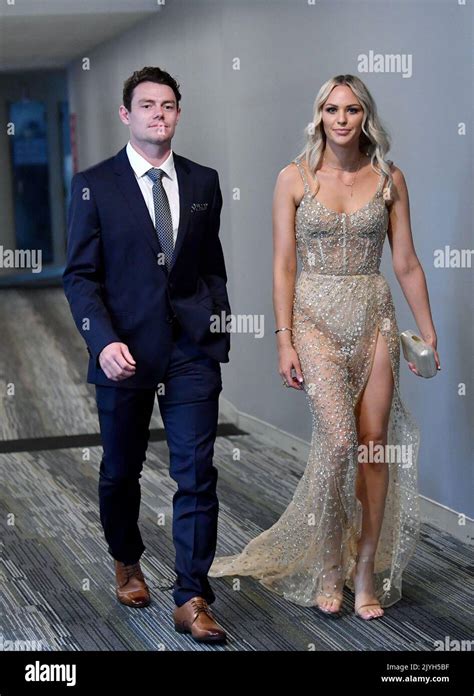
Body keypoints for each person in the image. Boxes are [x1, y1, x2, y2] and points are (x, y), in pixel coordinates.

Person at [210, 74, 440, 620]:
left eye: (352, 109)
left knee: (373, 443)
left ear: (366, 118)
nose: (341, 118)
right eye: (332, 109)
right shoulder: (293, 178)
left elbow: (405, 260)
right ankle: (329, 564)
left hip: (373, 316)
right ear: (319, 116)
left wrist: (428, 330)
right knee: (337, 442)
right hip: (312, 319)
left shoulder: (390, 178)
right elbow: (283, 264)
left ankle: (365, 569)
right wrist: (283, 339)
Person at [63, 66, 231, 642]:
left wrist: (215, 326)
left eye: (168, 105)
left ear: (178, 114)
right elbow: (80, 277)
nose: (159, 114)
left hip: (190, 351)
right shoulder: (94, 185)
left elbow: (211, 266)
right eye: (147, 105)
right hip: (124, 351)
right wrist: (103, 341)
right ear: (126, 115)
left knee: (196, 473)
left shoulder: (204, 182)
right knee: (119, 472)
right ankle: (127, 557)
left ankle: (192, 596)